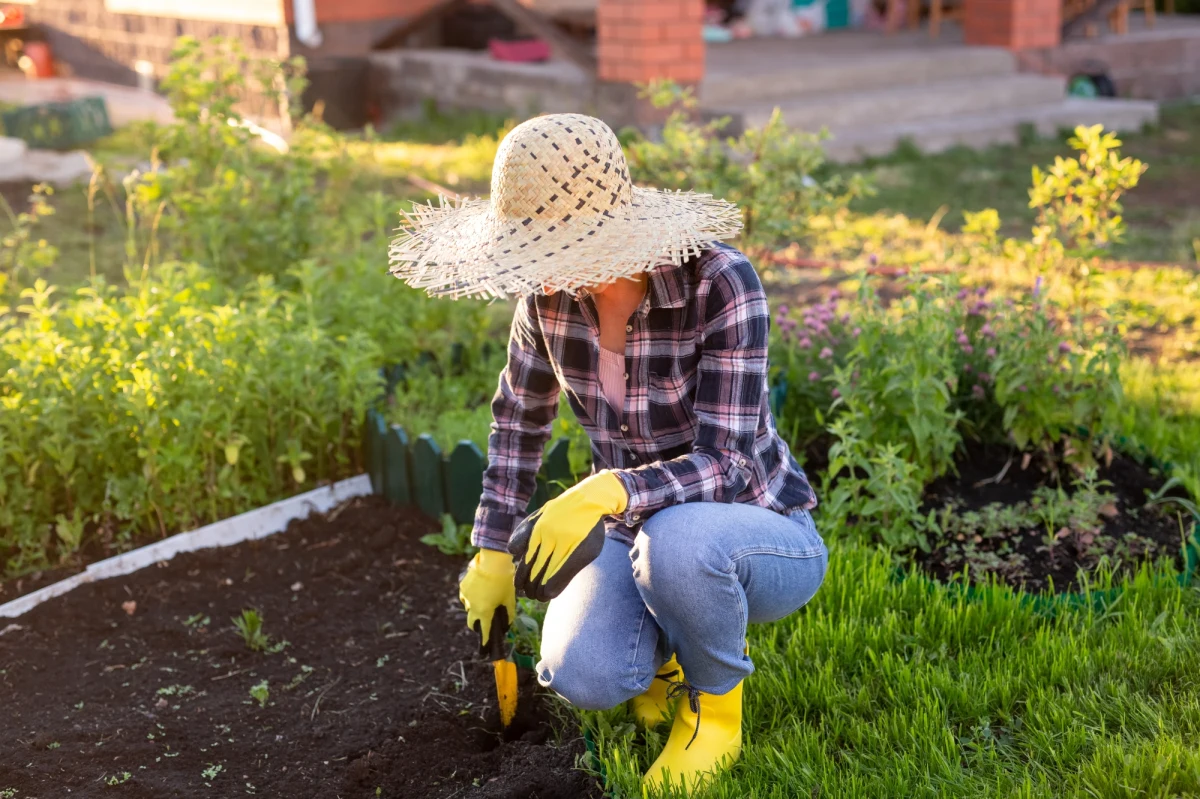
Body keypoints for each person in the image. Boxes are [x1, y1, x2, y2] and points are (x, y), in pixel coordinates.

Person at [389, 113, 827, 793]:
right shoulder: (548, 299)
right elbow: (519, 420)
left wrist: (607, 490)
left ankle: (714, 714)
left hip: (753, 531)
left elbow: (729, 464)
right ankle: (665, 660)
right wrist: (492, 548)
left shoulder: (719, 282)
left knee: (677, 540)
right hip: (634, 532)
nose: (543, 270)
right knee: (581, 672)